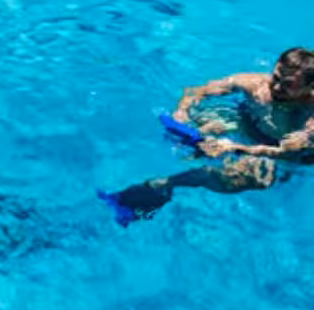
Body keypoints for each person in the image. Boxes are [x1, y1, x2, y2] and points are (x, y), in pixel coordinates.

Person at [100, 48, 314, 225]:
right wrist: (182, 111)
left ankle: (159, 188)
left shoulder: (309, 115)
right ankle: (194, 151)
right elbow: (197, 91)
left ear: (309, 87)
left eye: (287, 85)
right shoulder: (254, 84)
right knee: (205, 120)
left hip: (280, 157)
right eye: (276, 77)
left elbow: (288, 153)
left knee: (220, 176)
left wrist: (234, 148)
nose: (275, 87)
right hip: (247, 126)